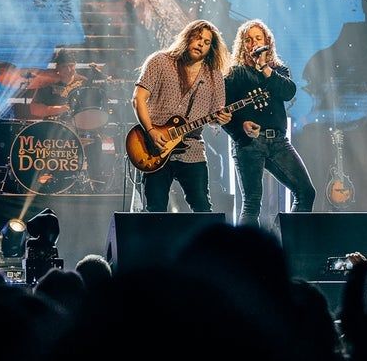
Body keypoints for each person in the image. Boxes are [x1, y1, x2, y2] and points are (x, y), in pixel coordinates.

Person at [132, 19, 231, 212]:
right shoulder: (160, 61)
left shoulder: (214, 75)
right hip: (155, 147)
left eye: (207, 42)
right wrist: (151, 131)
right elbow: (138, 99)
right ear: (187, 37)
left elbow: (214, 117)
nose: (201, 44)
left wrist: (221, 119)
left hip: (192, 149)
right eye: (198, 38)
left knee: (203, 208)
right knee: (155, 210)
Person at [223, 19, 315, 225]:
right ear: (242, 45)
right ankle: (250, 246)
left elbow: (288, 92)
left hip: (278, 142)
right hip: (248, 143)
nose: (254, 43)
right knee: (252, 203)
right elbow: (223, 114)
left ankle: (285, 239)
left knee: (306, 192)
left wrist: (264, 67)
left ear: (267, 42)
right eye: (248, 39)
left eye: (258, 38)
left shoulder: (278, 70)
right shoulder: (235, 73)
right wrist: (240, 127)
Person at [29, 49, 86, 120]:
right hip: (52, 124)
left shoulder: (83, 82)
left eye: (71, 65)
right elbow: (34, 109)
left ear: (75, 65)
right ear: (57, 67)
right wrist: (59, 109)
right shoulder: (48, 83)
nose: (68, 70)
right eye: (63, 66)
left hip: (79, 123)